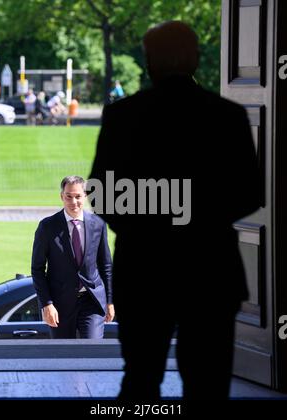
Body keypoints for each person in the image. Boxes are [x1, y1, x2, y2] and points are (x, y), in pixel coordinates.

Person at [88, 21, 260, 400]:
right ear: (196, 58)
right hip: (211, 264)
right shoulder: (227, 115)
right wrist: (201, 221)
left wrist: (144, 226)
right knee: (209, 383)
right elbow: (250, 194)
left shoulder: (124, 116)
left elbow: (101, 194)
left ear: (149, 62)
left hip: (145, 265)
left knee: (140, 379)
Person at [31, 175, 115, 339]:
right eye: (68, 196)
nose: (73, 201)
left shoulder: (98, 223)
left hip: (92, 301)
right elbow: (37, 269)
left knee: (91, 353)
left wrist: (110, 301)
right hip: (59, 305)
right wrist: (47, 304)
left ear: (85, 196)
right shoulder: (47, 227)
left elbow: (106, 265)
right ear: (62, 196)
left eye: (78, 196)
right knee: (64, 357)